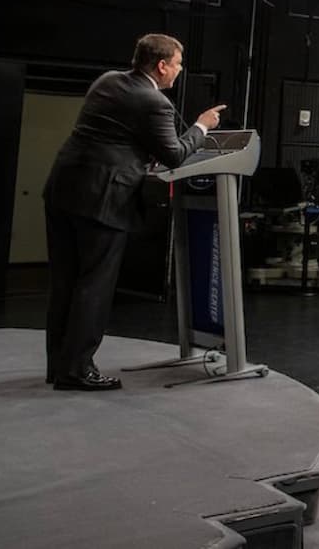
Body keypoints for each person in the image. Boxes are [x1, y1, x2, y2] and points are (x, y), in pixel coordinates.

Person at [44, 33, 224, 391]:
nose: (179, 70)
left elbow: (117, 134)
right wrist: (202, 126)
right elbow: (174, 153)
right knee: (93, 285)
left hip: (64, 191)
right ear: (161, 66)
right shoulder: (153, 101)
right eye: (177, 64)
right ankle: (78, 370)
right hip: (102, 200)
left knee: (65, 281)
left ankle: (59, 366)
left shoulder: (107, 81)